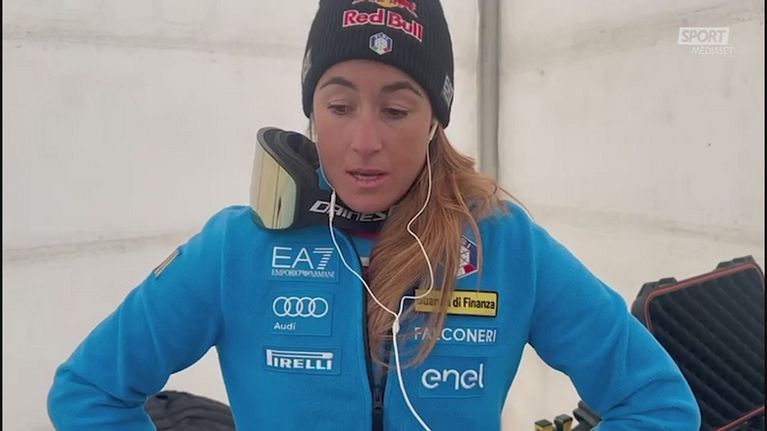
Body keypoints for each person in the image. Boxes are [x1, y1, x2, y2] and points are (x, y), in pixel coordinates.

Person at [47, 0, 701, 429]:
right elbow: (87, 392)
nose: (364, 141)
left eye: (395, 109)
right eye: (339, 106)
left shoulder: (505, 245)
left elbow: (658, 402)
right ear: (310, 112)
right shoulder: (237, 247)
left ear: (434, 120)